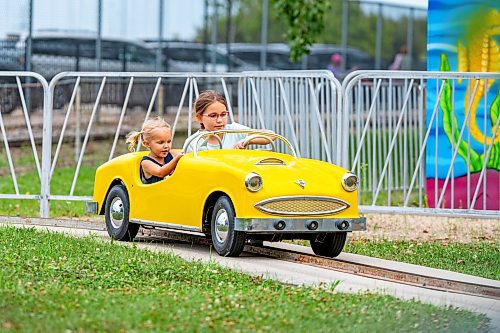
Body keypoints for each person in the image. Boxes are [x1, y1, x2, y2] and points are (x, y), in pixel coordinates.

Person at [184, 90, 273, 152]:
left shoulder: (234, 130)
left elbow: (271, 136)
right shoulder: (193, 142)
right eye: (213, 116)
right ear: (199, 117)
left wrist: (248, 140)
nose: (219, 120)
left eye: (223, 114)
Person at [126, 117, 183, 184]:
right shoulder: (146, 163)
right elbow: (161, 172)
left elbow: (185, 156)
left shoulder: (172, 154)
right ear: (147, 144)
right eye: (161, 142)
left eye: (169, 141)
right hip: (154, 193)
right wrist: (176, 159)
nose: (166, 146)